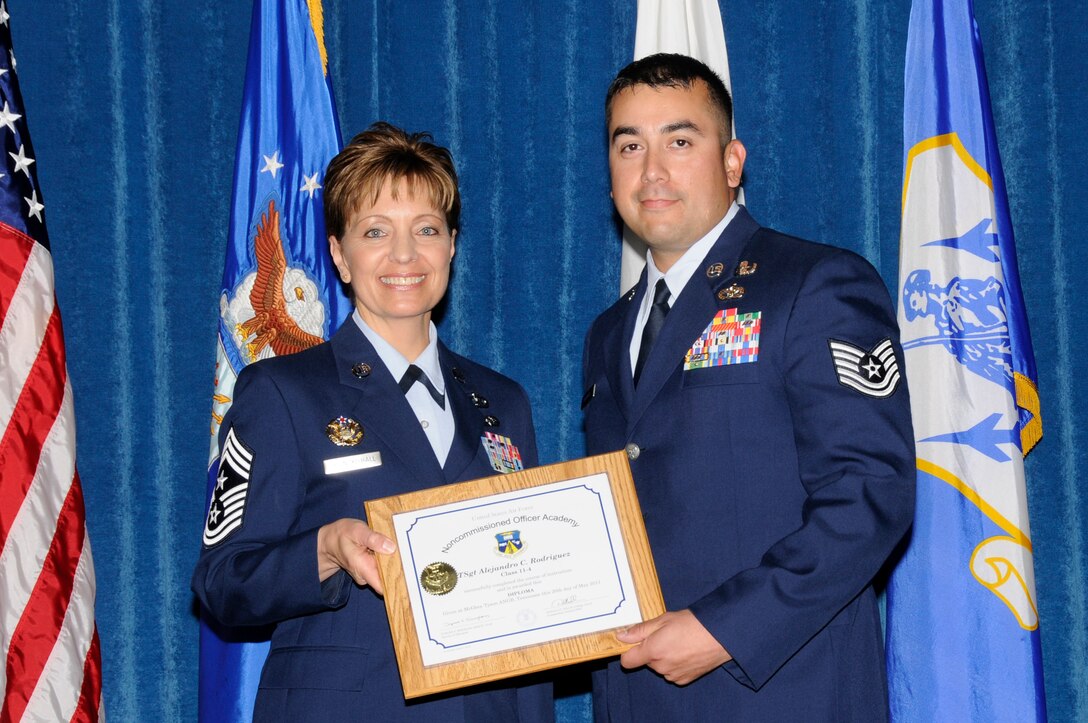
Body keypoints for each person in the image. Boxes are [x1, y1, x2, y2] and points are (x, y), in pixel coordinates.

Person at [581, 53, 916, 720]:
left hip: (781, 692)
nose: (652, 170)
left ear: (733, 162)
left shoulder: (814, 284)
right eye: (629, 146)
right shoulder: (607, 333)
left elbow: (869, 493)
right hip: (636, 695)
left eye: (680, 141)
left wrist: (723, 628)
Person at [193, 122, 553, 722]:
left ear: (452, 245)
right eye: (375, 232)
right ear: (339, 254)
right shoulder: (281, 393)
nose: (405, 255)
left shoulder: (504, 401)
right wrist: (324, 550)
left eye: (427, 230)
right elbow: (222, 583)